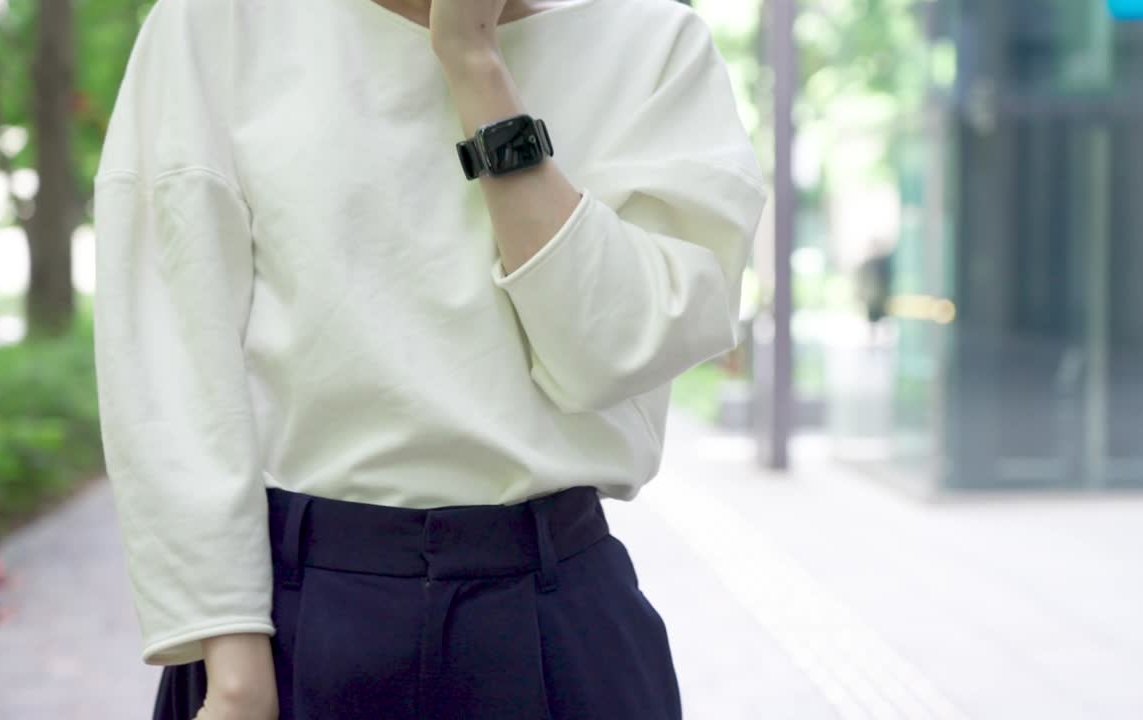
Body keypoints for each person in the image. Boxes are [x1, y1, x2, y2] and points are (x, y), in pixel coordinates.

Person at [92, 0, 764, 718]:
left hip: (553, 612)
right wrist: (233, 673)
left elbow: (605, 353)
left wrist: (475, 66)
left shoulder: (654, 43)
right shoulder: (221, 20)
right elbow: (169, 356)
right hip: (291, 624)